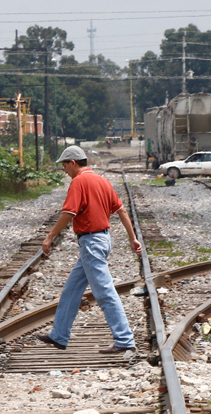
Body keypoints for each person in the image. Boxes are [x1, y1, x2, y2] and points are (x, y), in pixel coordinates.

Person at [36, 146, 142, 354]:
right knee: (71, 290)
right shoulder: (102, 181)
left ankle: (124, 339)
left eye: (65, 166)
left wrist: (50, 237)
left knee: (104, 292)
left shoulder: (79, 182)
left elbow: (68, 213)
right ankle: (59, 335)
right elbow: (122, 211)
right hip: (101, 240)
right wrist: (133, 238)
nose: (65, 171)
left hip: (91, 243)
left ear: (73, 163)